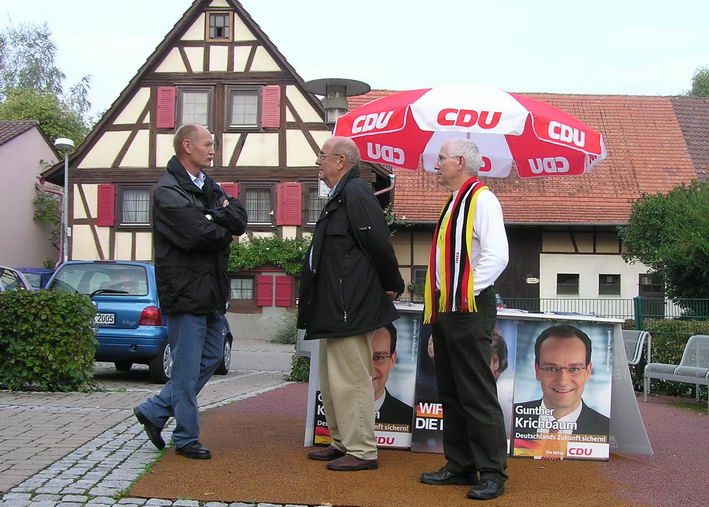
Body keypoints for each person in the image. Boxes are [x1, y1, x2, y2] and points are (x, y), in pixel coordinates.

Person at [133, 124, 247, 460]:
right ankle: (185, 438)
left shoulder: (206, 185)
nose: (213, 150)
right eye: (208, 144)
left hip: (210, 291)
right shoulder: (168, 191)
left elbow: (238, 218)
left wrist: (217, 216)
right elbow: (199, 235)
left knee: (212, 356)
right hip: (184, 292)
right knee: (184, 369)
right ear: (187, 145)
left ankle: (155, 409)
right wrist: (217, 220)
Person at [298, 136, 404, 472]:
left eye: (322, 155)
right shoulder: (339, 196)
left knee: (351, 379)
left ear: (341, 160)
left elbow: (378, 244)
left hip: (350, 306)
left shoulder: (355, 193)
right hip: (335, 306)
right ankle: (343, 442)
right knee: (332, 380)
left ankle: (362, 450)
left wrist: (393, 284)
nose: (318, 162)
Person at [419, 138, 509, 501]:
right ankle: (459, 464)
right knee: (451, 390)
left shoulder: (483, 199)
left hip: (468, 306)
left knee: (476, 392)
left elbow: (497, 256)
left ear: (460, 161)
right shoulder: (455, 200)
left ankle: (492, 472)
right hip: (446, 305)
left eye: (441, 159)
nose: (436, 164)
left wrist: (465, 291)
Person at [513, 324, 609, 436]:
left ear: (588, 371)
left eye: (574, 369)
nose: (563, 382)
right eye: (552, 369)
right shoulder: (510, 418)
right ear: (537, 370)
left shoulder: (606, 429)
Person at [372, 323, 413, 425]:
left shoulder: (409, 418)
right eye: (360, 357)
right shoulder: (330, 412)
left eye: (378, 357)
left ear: (393, 360)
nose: (369, 369)